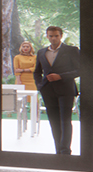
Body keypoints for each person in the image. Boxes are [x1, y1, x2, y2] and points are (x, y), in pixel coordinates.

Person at [35, 26, 83, 155]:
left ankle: (65, 150)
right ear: (47, 36)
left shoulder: (71, 50)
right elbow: (37, 72)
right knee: (54, 121)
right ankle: (58, 149)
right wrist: (40, 86)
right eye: (50, 36)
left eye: (56, 35)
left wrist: (61, 76)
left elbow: (80, 70)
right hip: (48, 91)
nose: (53, 38)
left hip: (66, 90)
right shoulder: (41, 52)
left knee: (65, 120)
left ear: (61, 35)